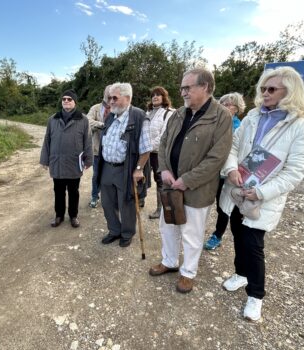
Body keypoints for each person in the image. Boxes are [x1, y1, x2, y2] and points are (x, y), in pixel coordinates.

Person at [219, 66, 304, 322]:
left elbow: (295, 172)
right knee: (238, 234)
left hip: (261, 198)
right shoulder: (252, 116)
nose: (265, 93)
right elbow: (234, 146)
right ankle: (240, 274)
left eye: (271, 89)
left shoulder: (301, 128)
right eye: (263, 88)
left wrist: (261, 192)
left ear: (290, 92)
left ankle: (256, 295)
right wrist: (230, 170)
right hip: (237, 190)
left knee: (253, 245)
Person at [149, 68, 232, 293]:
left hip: (197, 189)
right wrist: (164, 170)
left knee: (192, 233)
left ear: (204, 87)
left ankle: (188, 272)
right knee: (167, 226)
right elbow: (164, 143)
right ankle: (169, 261)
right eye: (182, 88)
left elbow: (217, 157)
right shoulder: (178, 114)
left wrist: (188, 179)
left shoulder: (221, 116)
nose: (183, 92)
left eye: (188, 88)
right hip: (170, 184)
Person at [97, 82, 152, 248]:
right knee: (107, 202)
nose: (111, 101)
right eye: (109, 98)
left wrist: (139, 169)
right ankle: (114, 230)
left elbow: (146, 148)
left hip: (125, 169)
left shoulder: (139, 116)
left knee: (126, 203)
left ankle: (127, 233)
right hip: (107, 167)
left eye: (115, 98)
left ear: (127, 98)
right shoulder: (110, 117)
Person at [40, 90, 93, 228]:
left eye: (69, 99)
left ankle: (73, 216)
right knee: (58, 191)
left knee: (74, 191)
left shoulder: (83, 119)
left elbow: (87, 141)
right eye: (64, 99)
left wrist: (89, 160)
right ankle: (59, 215)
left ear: (75, 102)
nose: (66, 101)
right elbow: (47, 140)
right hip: (57, 162)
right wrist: (45, 160)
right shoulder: (53, 119)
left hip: (74, 162)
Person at [204, 92, 245, 250]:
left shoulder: (239, 127)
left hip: (226, 173)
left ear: (237, 109)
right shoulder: (213, 122)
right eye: (223, 104)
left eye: (230, 105)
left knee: (223, 206)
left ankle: (217, 235)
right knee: (207, 202)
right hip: (211, 171)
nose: (226, 107)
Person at [145, 86, 175, 219]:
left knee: (160, 180)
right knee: (142, 176)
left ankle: (160, 208)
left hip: (159, 153)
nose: (155, 97)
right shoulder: (148, 113)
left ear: (164, 97)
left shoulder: (168, 113)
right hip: (146, 152)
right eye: (153, 95)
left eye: (158, 95)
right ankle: (140, 199)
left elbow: (164, 136)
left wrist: (147, 147)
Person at [86, 85, 112, 208]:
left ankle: (110, 198)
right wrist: (102, 125)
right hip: (97, 149)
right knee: (96, 174)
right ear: (104, 93)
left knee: (111, 175)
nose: (110, 94)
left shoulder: (117, 108)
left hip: (112, 151)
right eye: (108, 92)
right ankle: (95, 196)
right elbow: (88, 121)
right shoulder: (95, 108)